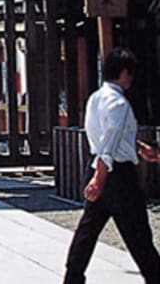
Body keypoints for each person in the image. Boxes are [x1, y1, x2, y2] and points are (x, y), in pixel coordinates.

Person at [63, 48, 160, 284]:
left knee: (88, 229)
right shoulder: (120, 104)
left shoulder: (96, 98)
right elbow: (110, 142)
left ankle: (73, 277)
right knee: (137, 233)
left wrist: (137, 148)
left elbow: (107, 136)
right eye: (130, 73)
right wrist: (101, 178)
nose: (131, 78)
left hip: (96, 164)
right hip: (116, 173)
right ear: (123, 73)